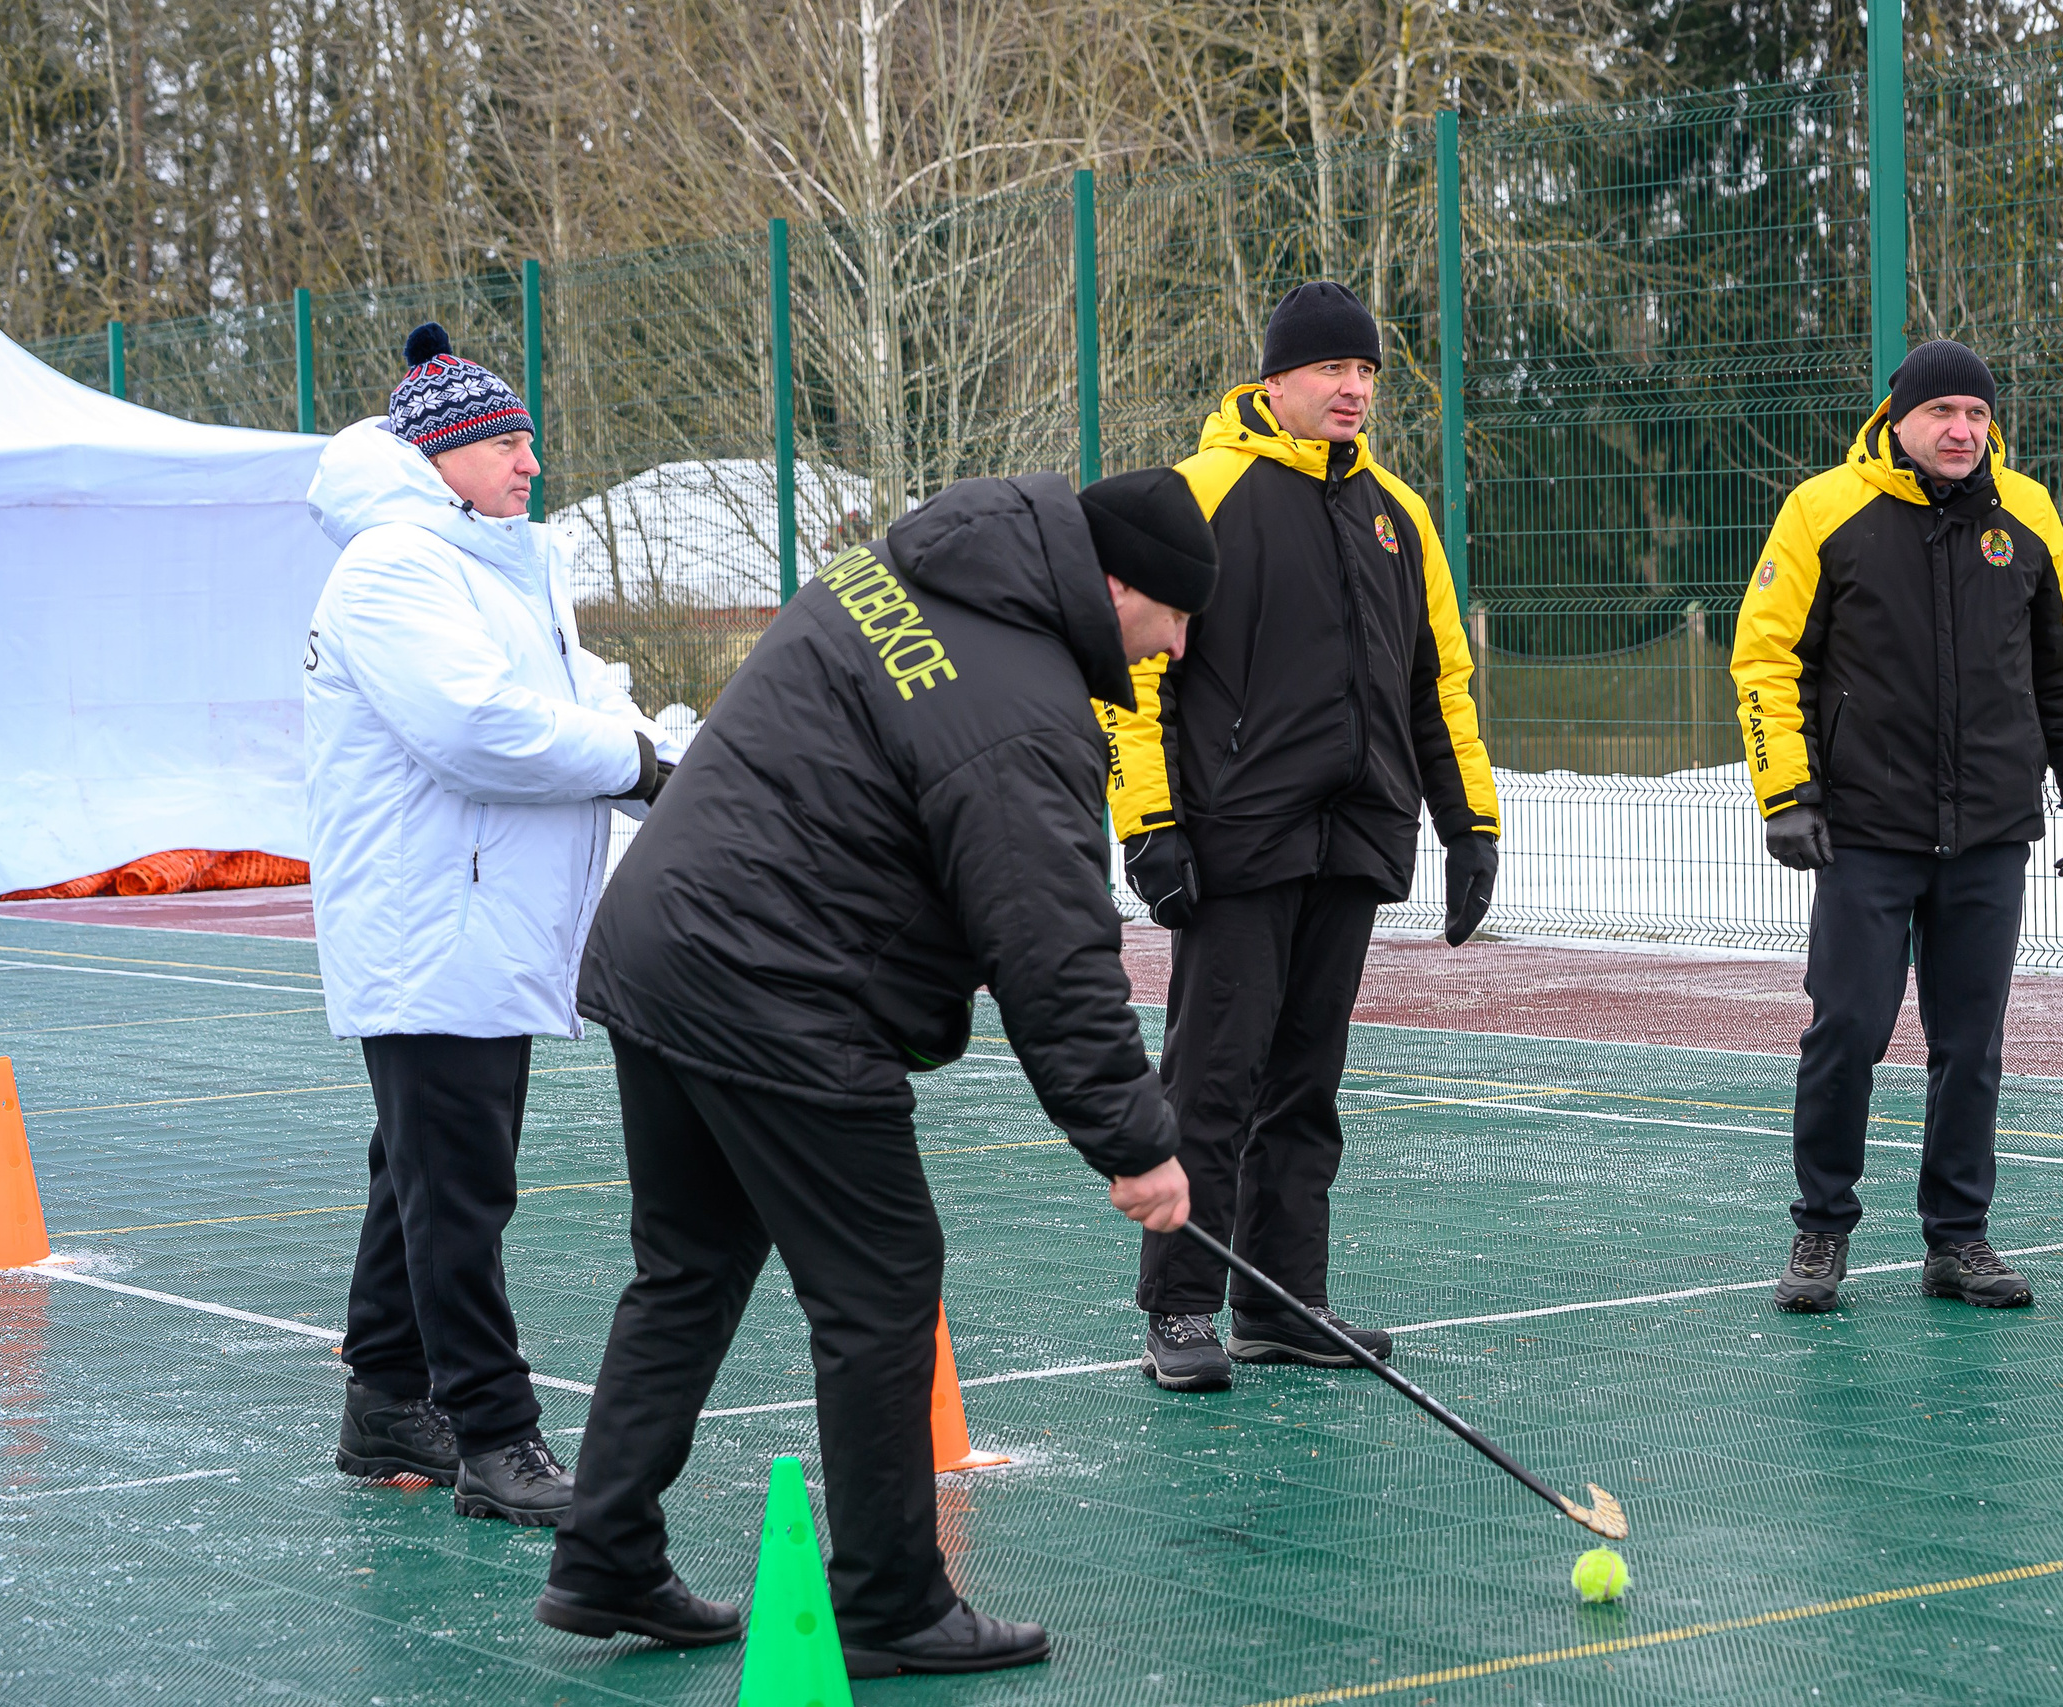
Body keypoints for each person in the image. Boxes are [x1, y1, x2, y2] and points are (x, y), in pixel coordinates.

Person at [535, 467, 1213, 1678]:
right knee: (881, 1286)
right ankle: (891, 1605)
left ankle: (605, 1553)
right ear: (1119, 587)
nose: (1173, 651)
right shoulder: (1020, 709)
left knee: (687, 1268)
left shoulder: (901, 572)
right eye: (1172, 621)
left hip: (664, 943)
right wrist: (1132, 1139)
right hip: (780, 989)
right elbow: (1050, 943)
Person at [305, 323, 676, 1524]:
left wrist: (667, 759)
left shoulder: (504, 561)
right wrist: (637, 765)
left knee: (420, 1171)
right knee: (458, 1188)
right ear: (442, 455)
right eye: (508, 443)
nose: (531, 462)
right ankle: (496, 1438)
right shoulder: (395, 568)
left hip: (475, 917)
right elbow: (475, 728)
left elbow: (571, 697)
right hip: (431, 923)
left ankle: (386, 1403)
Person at [1104, 280, 1501, 1393]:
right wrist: (1150, 824)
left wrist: (1469, 822)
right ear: (1274, 379)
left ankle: (1282, 1305)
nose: (1353, 388)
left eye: (1366, 370)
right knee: (1212, 1079)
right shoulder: (1201, 492)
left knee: (1307, 1085)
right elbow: (1129, 678)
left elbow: (1438, 683)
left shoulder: (1399, 514)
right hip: (1236, 842)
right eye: (1332, 368)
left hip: (1354, 838)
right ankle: (1182, 1306)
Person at [1731, 337, 2063, 1314]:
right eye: (1943, 412)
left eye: (1977, 414)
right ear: (1897, 421)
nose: (1961, 430)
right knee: (1847, 1030)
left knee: (1971, 1043)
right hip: (1865, 829)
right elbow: (1767, 659)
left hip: (1989, 829)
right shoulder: (1822, 510)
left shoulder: (2026, 514)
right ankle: (1821, 1230)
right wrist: (1787, 793)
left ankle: (1959, 1238)